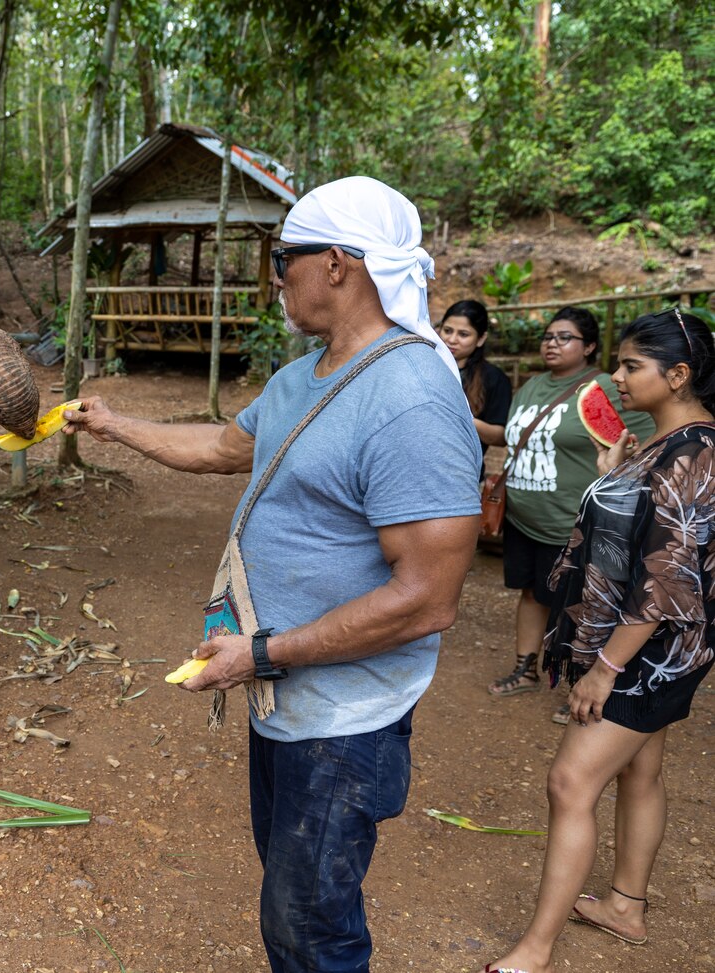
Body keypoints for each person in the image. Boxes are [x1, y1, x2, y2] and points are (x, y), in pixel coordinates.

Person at [65, 176, 482, 973]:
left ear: (337, 263)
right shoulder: (303, 378)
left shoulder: (410, 400)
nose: (274, 275)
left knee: (309, 928)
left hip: (342, 721)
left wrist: (261, 652)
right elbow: (225, 449)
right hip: (288, 697)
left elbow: (427, 599)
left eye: (283, 258)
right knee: (292, 899)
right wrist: (115, 424)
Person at [483, 308, 715, 973]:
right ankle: (625, 905)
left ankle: (535, 948)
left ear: (677, 375)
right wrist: (616, 466)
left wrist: (604, 669)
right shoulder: (668, 442)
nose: (615, 377)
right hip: (666, 648)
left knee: (570, 781)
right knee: (642, 768)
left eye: (631, 366)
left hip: (647, 653)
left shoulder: (694, 452)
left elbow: (667, 578)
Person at [486, 306, 654, 722]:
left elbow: (645, 439)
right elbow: (511, 435)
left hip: (573, 523)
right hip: (526, 519)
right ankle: (526, 669)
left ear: (590, 346)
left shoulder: (605, 387)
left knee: (583, 604)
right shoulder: (530, 387)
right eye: (548, 336)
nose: (552, 343)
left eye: (565, 337)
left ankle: (585, 683)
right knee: (530, 593)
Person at [438, 299, 511, 458]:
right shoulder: (426, 368)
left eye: (463, 334)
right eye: (447, 330)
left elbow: (499, 437)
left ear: (481, 339)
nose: (452, 340)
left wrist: (460, 416)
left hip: (463, 471)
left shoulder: (494, 378)